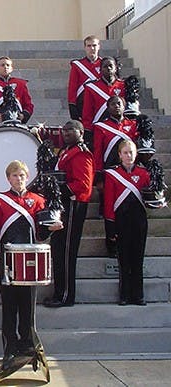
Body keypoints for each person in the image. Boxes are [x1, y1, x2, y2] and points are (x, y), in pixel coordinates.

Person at [0, 160, 62, 363]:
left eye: (21, 176)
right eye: (14, 176)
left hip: (30, 260)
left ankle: (27, 345)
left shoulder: (38, 200)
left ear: (27, 177)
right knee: (9, 306)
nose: (18, 179)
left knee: (28, 306)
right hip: (7, 260)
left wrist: (50, 230)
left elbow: (40, 233)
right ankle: (9, 347)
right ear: (8, 178)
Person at [44, 120, 93, 308]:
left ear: (80, 132)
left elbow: (83, 185)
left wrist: (58, 191)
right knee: (58, 249)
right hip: (63, 204)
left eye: (71, 130)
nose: (66, 133)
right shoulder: (66, 151)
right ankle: (60, 292)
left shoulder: (81, 154)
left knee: (66, 251)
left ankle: (65, 296)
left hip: (73, 204)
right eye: (64, 130)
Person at [104, 140, 150, 306]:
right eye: (125, 152)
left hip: (139, 221)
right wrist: (110, 226)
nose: (128, 155)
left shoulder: (145, 174)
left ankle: (138, 295)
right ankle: (124, 295)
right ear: (119, 155)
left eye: (131, 152)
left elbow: (151, 198)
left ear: (136, 154)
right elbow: (109, 202)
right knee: (123, 260)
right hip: (121, 222)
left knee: (138, 260)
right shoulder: (112, 174)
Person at [93, 96, 138, 227]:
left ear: (124, 106)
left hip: (127, 165)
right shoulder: (101, 126)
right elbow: (98, 151)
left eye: (119, 103)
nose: (116, 106)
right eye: (112, 104)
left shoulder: (132, 125)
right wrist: (99, 175)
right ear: (108, 108)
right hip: (109, 166)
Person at [0, 56, 34, 125]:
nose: (5, 67)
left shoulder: (21, 84)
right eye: (2, 65)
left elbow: (28, 105)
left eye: (8, 65)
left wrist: (23, 115)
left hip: (17, 123)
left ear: (11, 68)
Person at [81, 56, 125, 134]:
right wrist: (87, 129)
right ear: (100, 70)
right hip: (100, 128)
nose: (108, 68)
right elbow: (87, 112)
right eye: (105, 66)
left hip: (120, 128)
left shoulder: (123, 85)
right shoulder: (91, 87)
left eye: (111, 66)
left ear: (116, 68)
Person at [67, 35, 102, 121]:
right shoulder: (77, 65)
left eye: (94, 45)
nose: (92, 48)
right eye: (89, 46)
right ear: (85, 48)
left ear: (99, 47)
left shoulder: (105, 64)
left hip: (101, 102)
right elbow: (73, 87)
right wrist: (72, 105)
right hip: (83, 102)